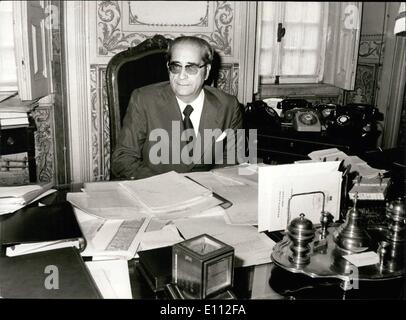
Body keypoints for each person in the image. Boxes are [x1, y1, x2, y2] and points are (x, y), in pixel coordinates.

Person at [111, 36, 244, 180]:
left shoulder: (228, 105)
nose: (181, 76)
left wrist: (211, 184)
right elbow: (123, 159)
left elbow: (231, 157)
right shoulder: (144, 100)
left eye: (191, 68)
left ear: (206, 71)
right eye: (176, 67)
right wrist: (170, 185)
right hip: (157, 191)